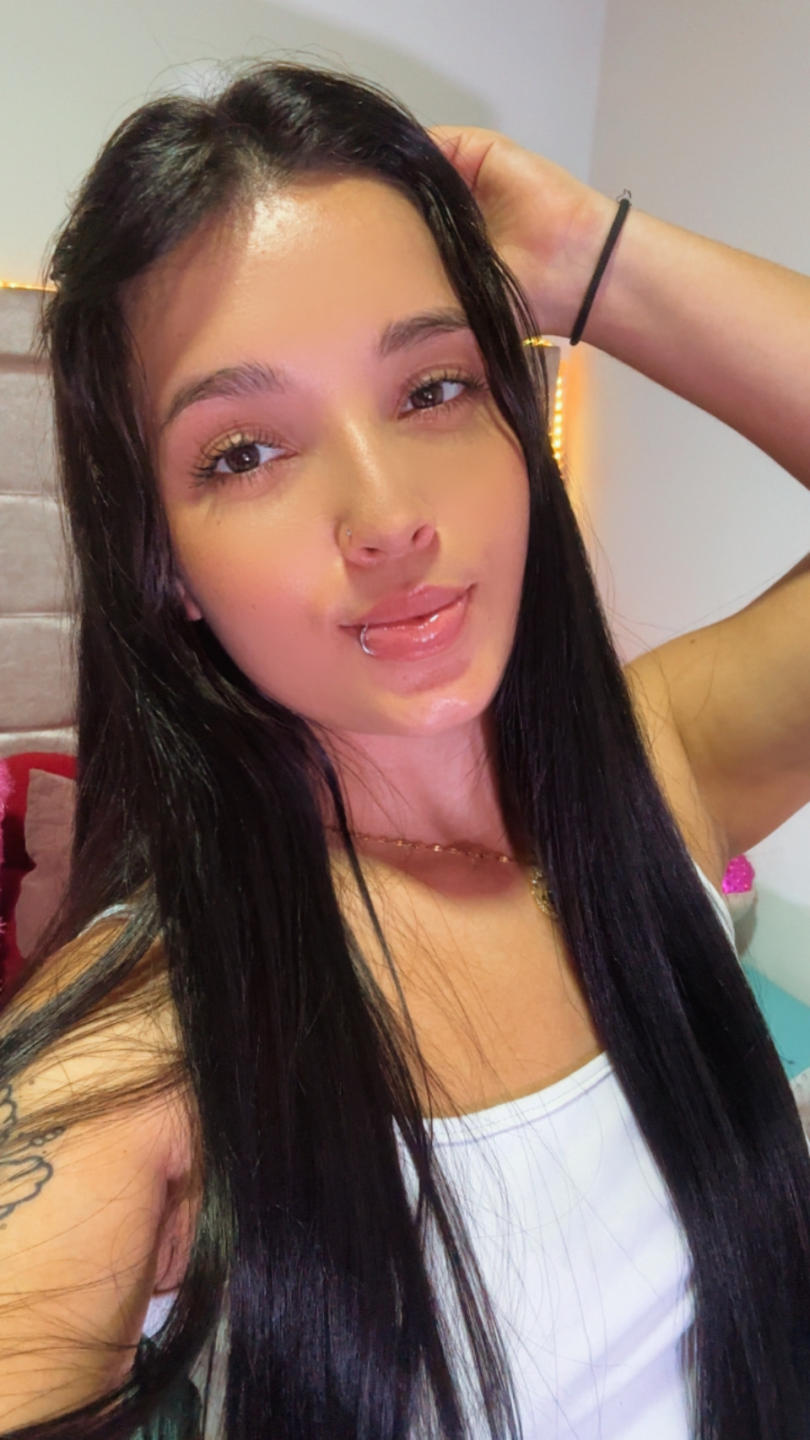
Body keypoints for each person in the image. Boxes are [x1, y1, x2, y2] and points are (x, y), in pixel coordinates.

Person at [0, 57, 809, 1440]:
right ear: (163, 561)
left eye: (433, 386)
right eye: (244, 452)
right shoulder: (148, 1040)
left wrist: (583, 255)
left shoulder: (650, 774)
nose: (386, 519)